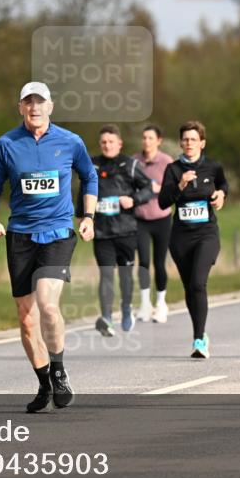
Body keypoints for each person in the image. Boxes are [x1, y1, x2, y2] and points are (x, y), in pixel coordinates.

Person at [0, 82, 97, 413]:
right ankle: (44, 382)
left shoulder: (70, 141)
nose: (34, 108)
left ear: (51, 106)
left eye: (40, 102)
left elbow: (89, 176)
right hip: (20, 235)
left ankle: (60, 373)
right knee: (26, 317)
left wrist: (87, 215)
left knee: (47, 304)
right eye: (28, 102)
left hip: (58, 233)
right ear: (20, 107)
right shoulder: (6, 145)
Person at [157, 121, 227, 358]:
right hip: (180, 237)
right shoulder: (173, 169)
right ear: (180, 143)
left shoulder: (213, 167)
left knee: (198, 283)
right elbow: (163, 202)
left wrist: (221, 195)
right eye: (185, 139)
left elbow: (223, 185)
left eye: (193, 139)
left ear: (202, 143)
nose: (189, 143)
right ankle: (200, 334)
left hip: (206, 233)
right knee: (190, 287)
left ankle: (199, 339)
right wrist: (180, 184)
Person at [82, 124, 154, 337]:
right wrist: (84, 216)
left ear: (119, 144)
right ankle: (106, 318)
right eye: (103, 142)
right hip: (102, 232)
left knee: (124, 275)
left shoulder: (130, 164)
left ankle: (126, 308)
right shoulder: (92, 164)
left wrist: (133, 199)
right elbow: (84, 192)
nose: (107, 145)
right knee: (105, 275)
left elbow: (148, 188)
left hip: (126, 230)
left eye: (111, 141)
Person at [133, 124, 174, 323]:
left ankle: (160, 303)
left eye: (150, 138)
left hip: (162, 219)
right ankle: (144, 304)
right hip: (140, 219)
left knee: (159, 263)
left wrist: (156, 188)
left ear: (158, 140)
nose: (146, 142)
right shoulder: (134, 161)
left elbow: (173, 189)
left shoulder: (166, 162)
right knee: (143, 263)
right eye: (144, 138)